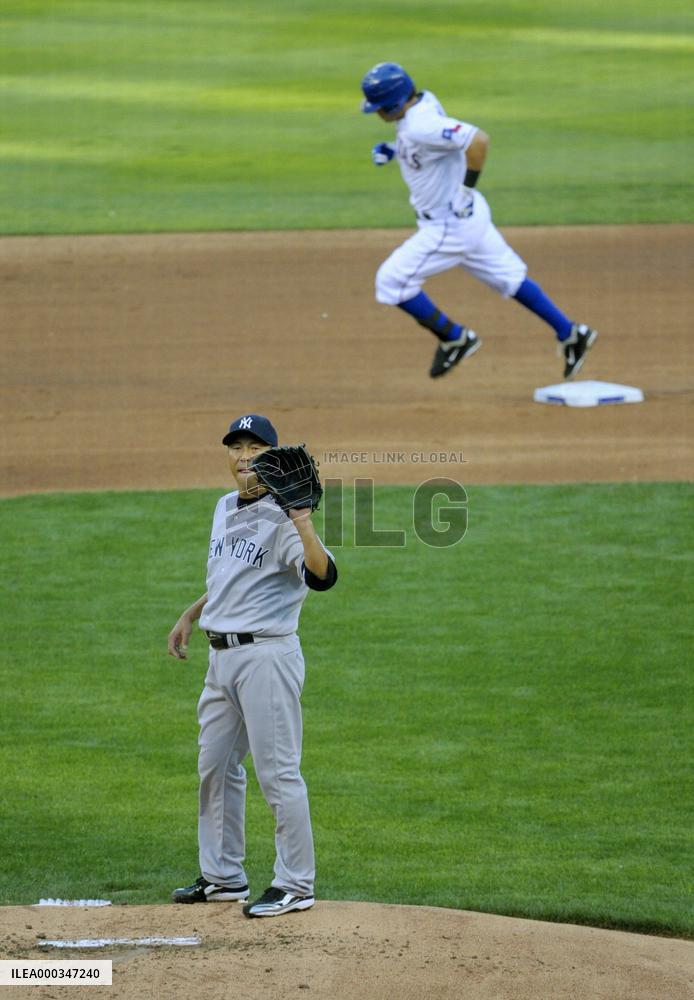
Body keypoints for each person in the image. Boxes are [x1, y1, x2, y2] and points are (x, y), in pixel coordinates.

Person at [168, 413, 337, 918]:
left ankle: (295, 883)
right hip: (220, 659)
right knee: (215, 766)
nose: (243, 457)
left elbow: (324, 576)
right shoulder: (224, 507)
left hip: (266, 657)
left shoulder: (285, 519)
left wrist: (302, 519)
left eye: (254, 447)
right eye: (235, 446)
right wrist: (191, 613)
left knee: (278, 772)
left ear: (274, 456)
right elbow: (230, 573)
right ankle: (222, 878)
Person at [361, 62, 598, 380]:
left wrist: (465, 189)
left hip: (449, 225)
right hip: (470, 219)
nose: (376, 113)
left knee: (391, 282)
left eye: (378, 108)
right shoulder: (421, 104)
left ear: (392, 103)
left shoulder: (421, 125)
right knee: (510, 278)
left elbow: (478, 140)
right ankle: (571, 334)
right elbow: (434, 147)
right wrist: (394, 150)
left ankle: (454, 337)